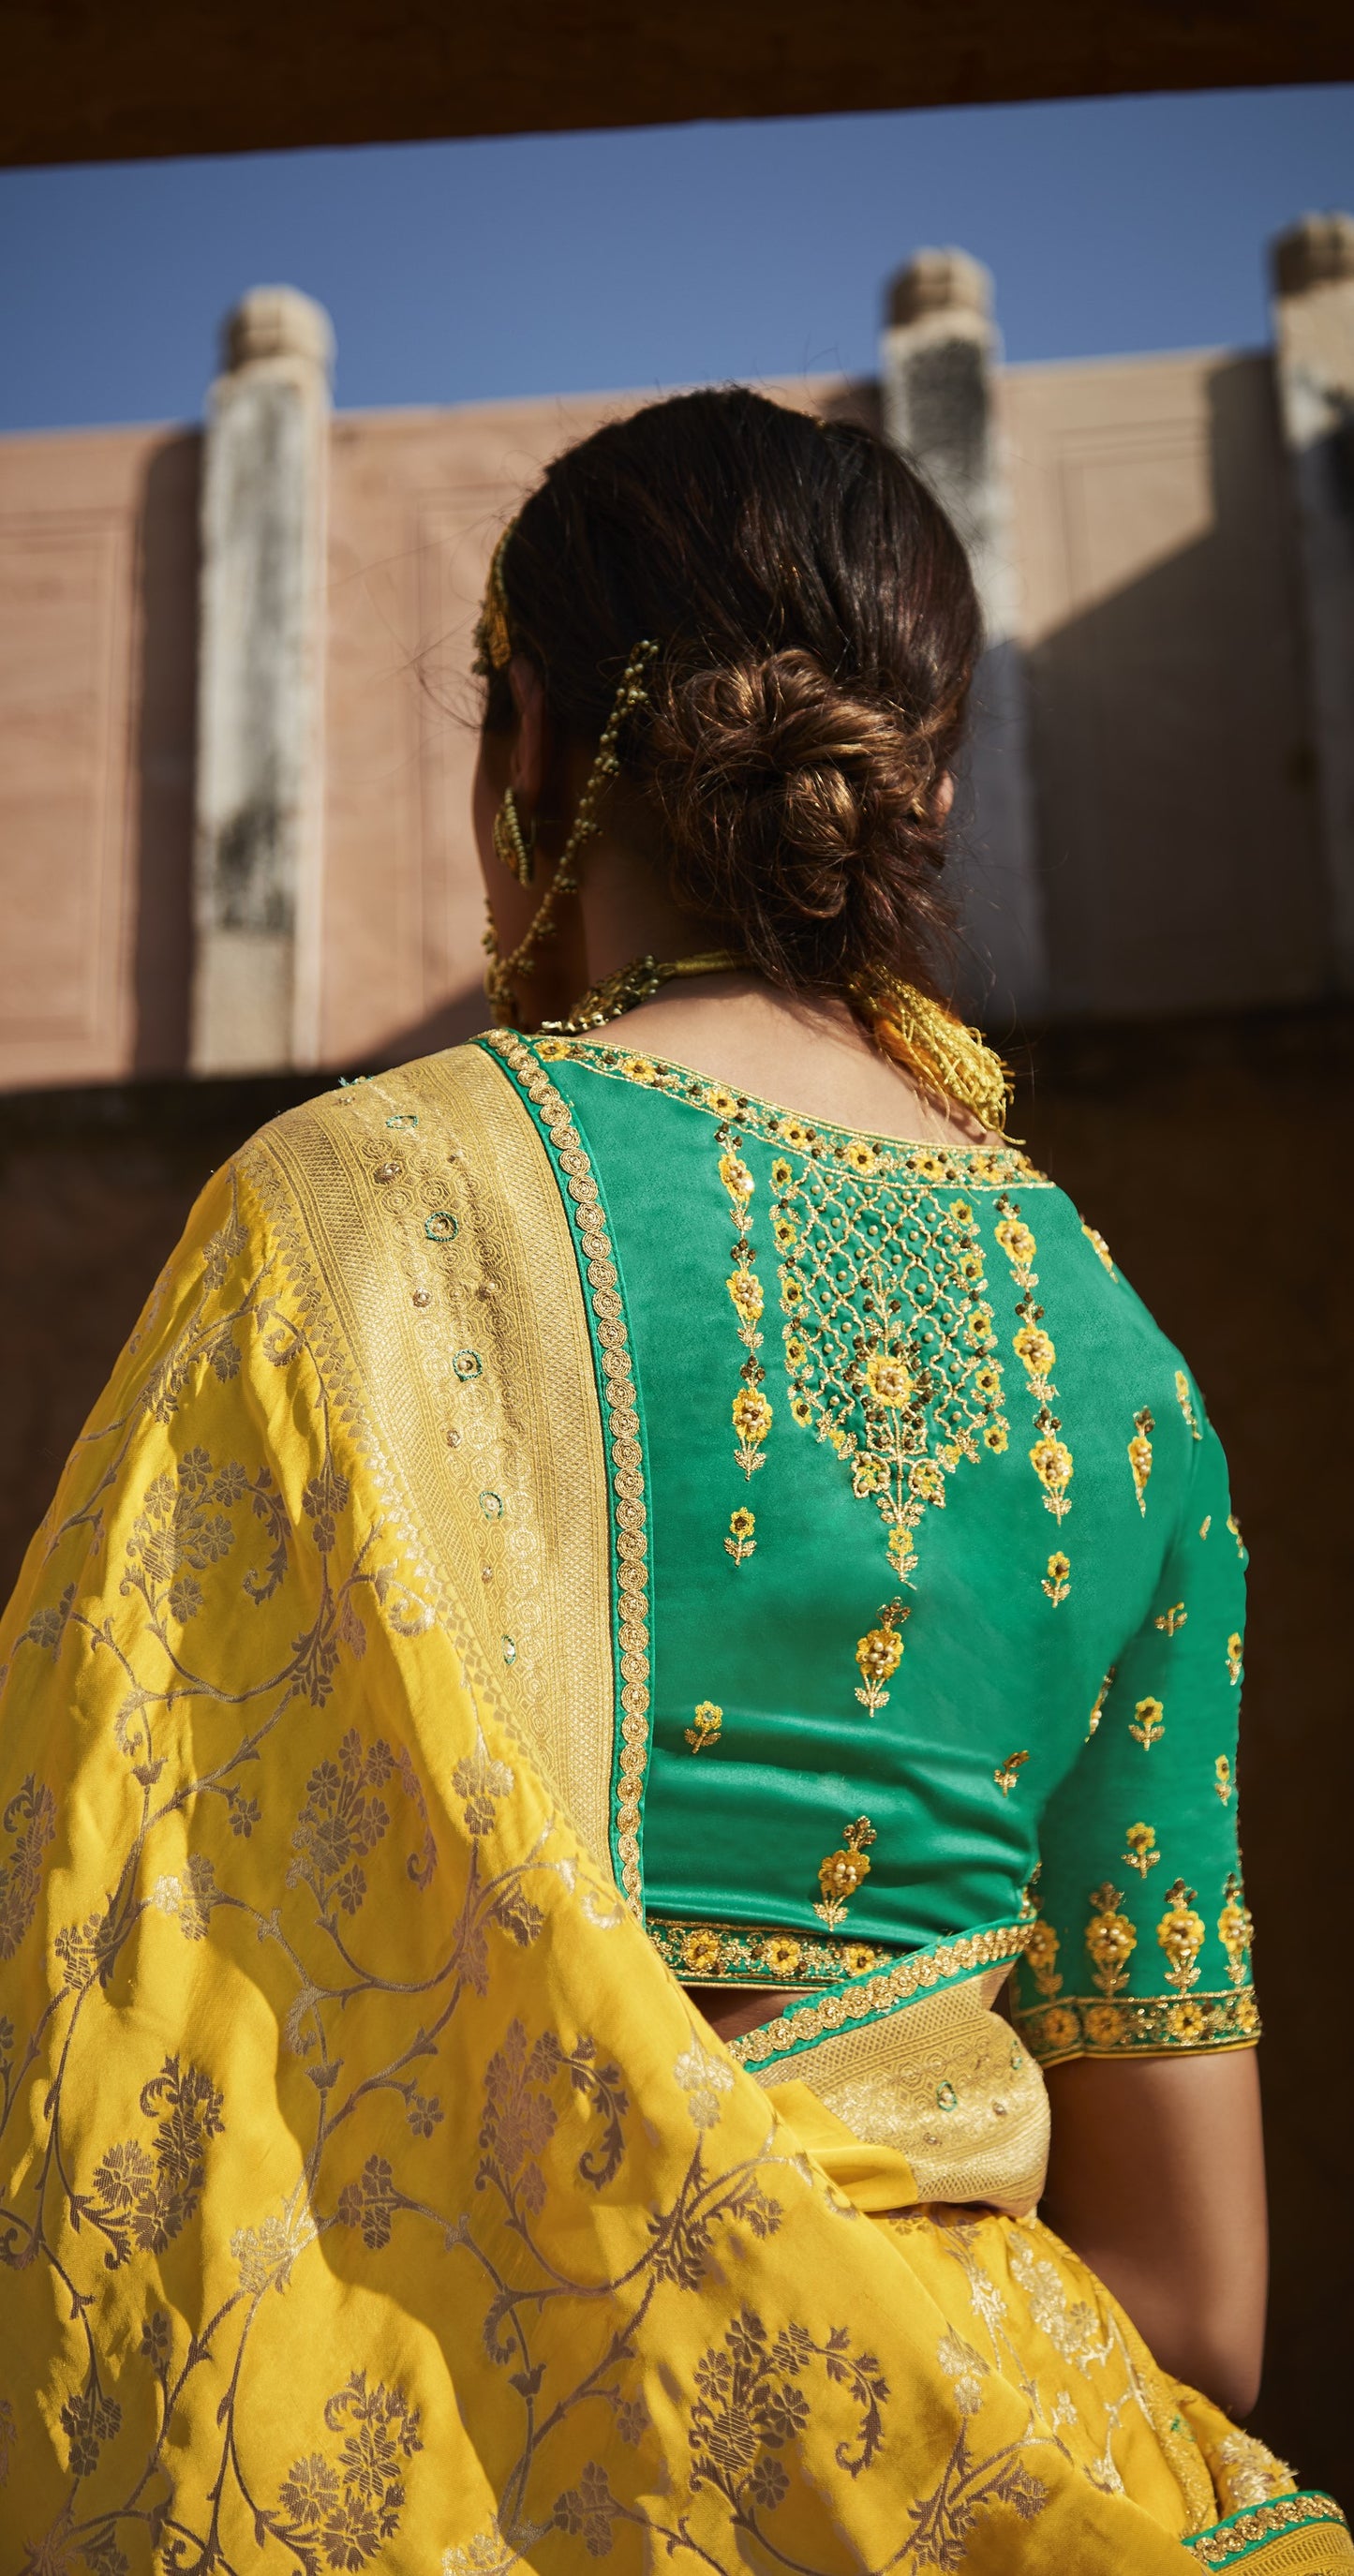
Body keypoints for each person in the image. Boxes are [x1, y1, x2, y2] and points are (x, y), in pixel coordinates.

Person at [0, 389, 1345, 2574]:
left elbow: (101, 1975)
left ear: (528, 742)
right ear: (925, 773)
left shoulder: (354, 1208)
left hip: (501, 2480)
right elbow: (1200, 2301)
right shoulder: (1125, 1366)